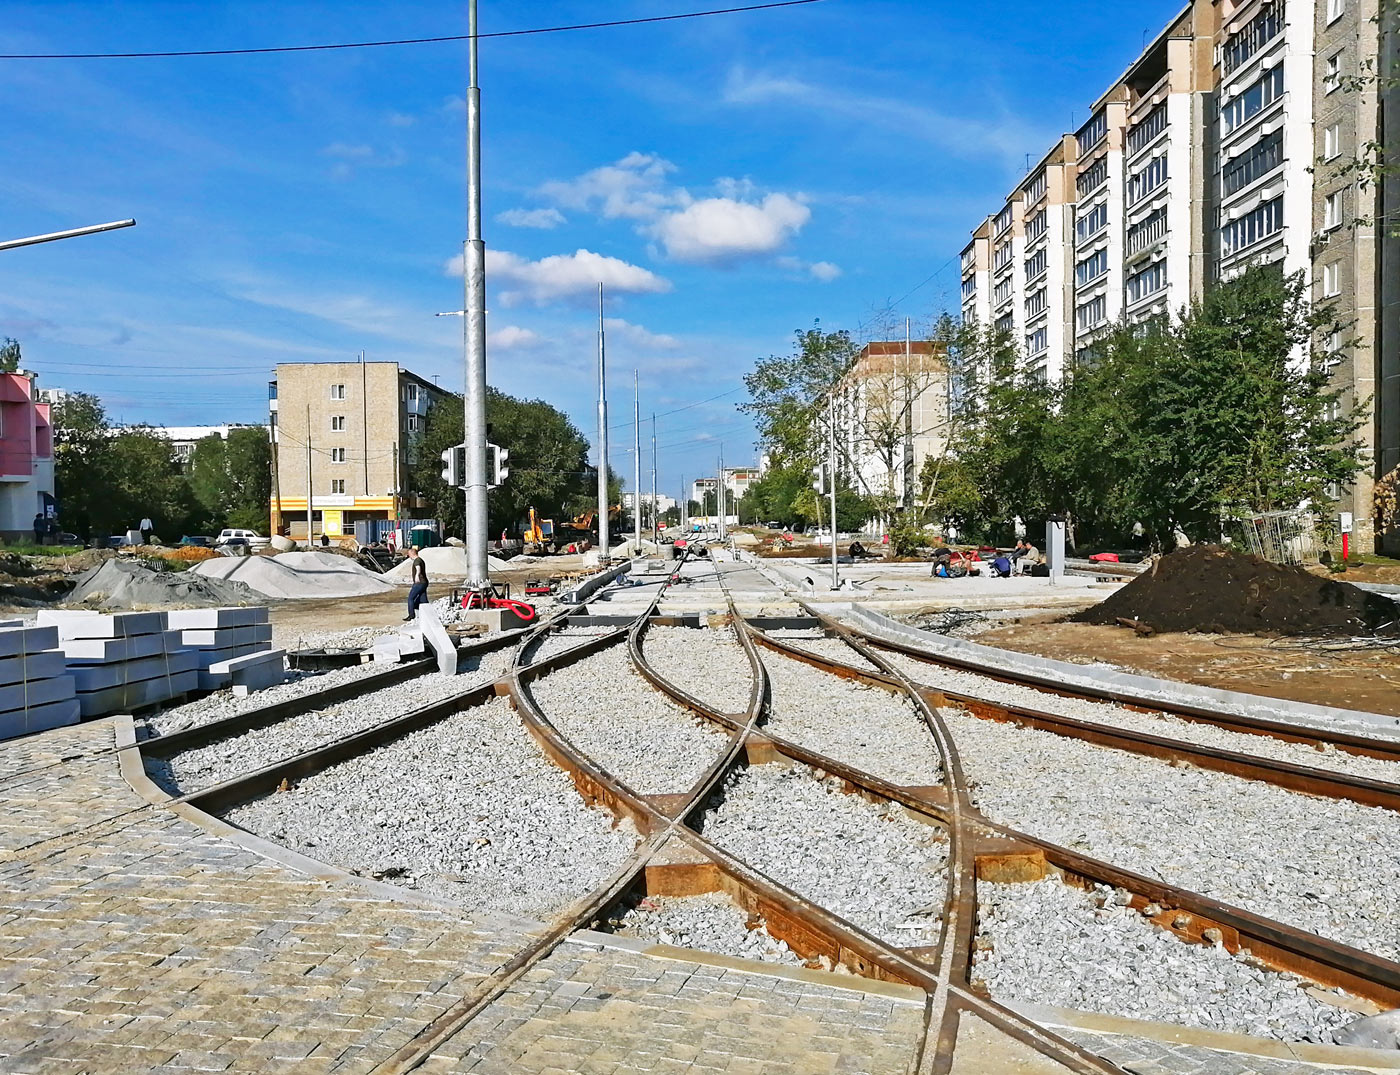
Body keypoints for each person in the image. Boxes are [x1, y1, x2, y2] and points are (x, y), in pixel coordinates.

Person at [404, 546, 429, 621]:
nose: (409, 557)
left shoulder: (416, 561)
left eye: (409, 555)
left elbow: (418, 568)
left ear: (412, 554)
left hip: (419, 583)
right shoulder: (421, 560)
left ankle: (411, 615)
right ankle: (427, 613)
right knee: (423, 599)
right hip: (424, 582)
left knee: (410, 598)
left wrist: (417, 576)